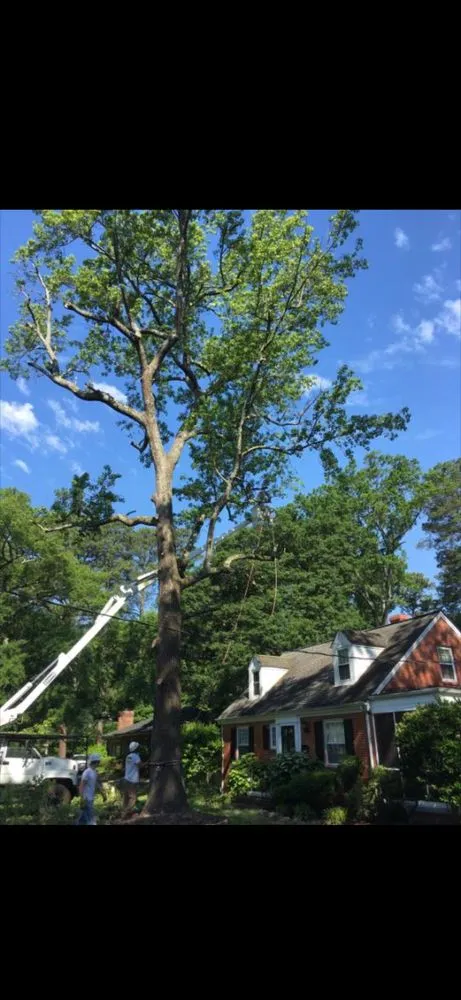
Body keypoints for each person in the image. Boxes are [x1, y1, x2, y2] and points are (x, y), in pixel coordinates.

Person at [75, 753, 106, 825]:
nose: (99, 763)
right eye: (98, 762)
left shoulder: (94, 772)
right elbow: (81, 785)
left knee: (82, 819)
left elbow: (96, 783)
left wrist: (103, 794)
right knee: (91, 819)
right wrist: (81, 798)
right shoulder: (87, 772)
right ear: (95, 762)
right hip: (86, 798)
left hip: (90, 798)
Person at [122, 741, 142, 816]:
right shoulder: (136, 756)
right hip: (132, 780)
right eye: (138, 747)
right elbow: (140, 765)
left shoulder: (128, 756)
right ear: (136, 749)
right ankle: (126, 812)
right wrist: (147, 763)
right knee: (133, 798)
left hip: (126, 779)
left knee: (126, 797)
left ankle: (123, 812)